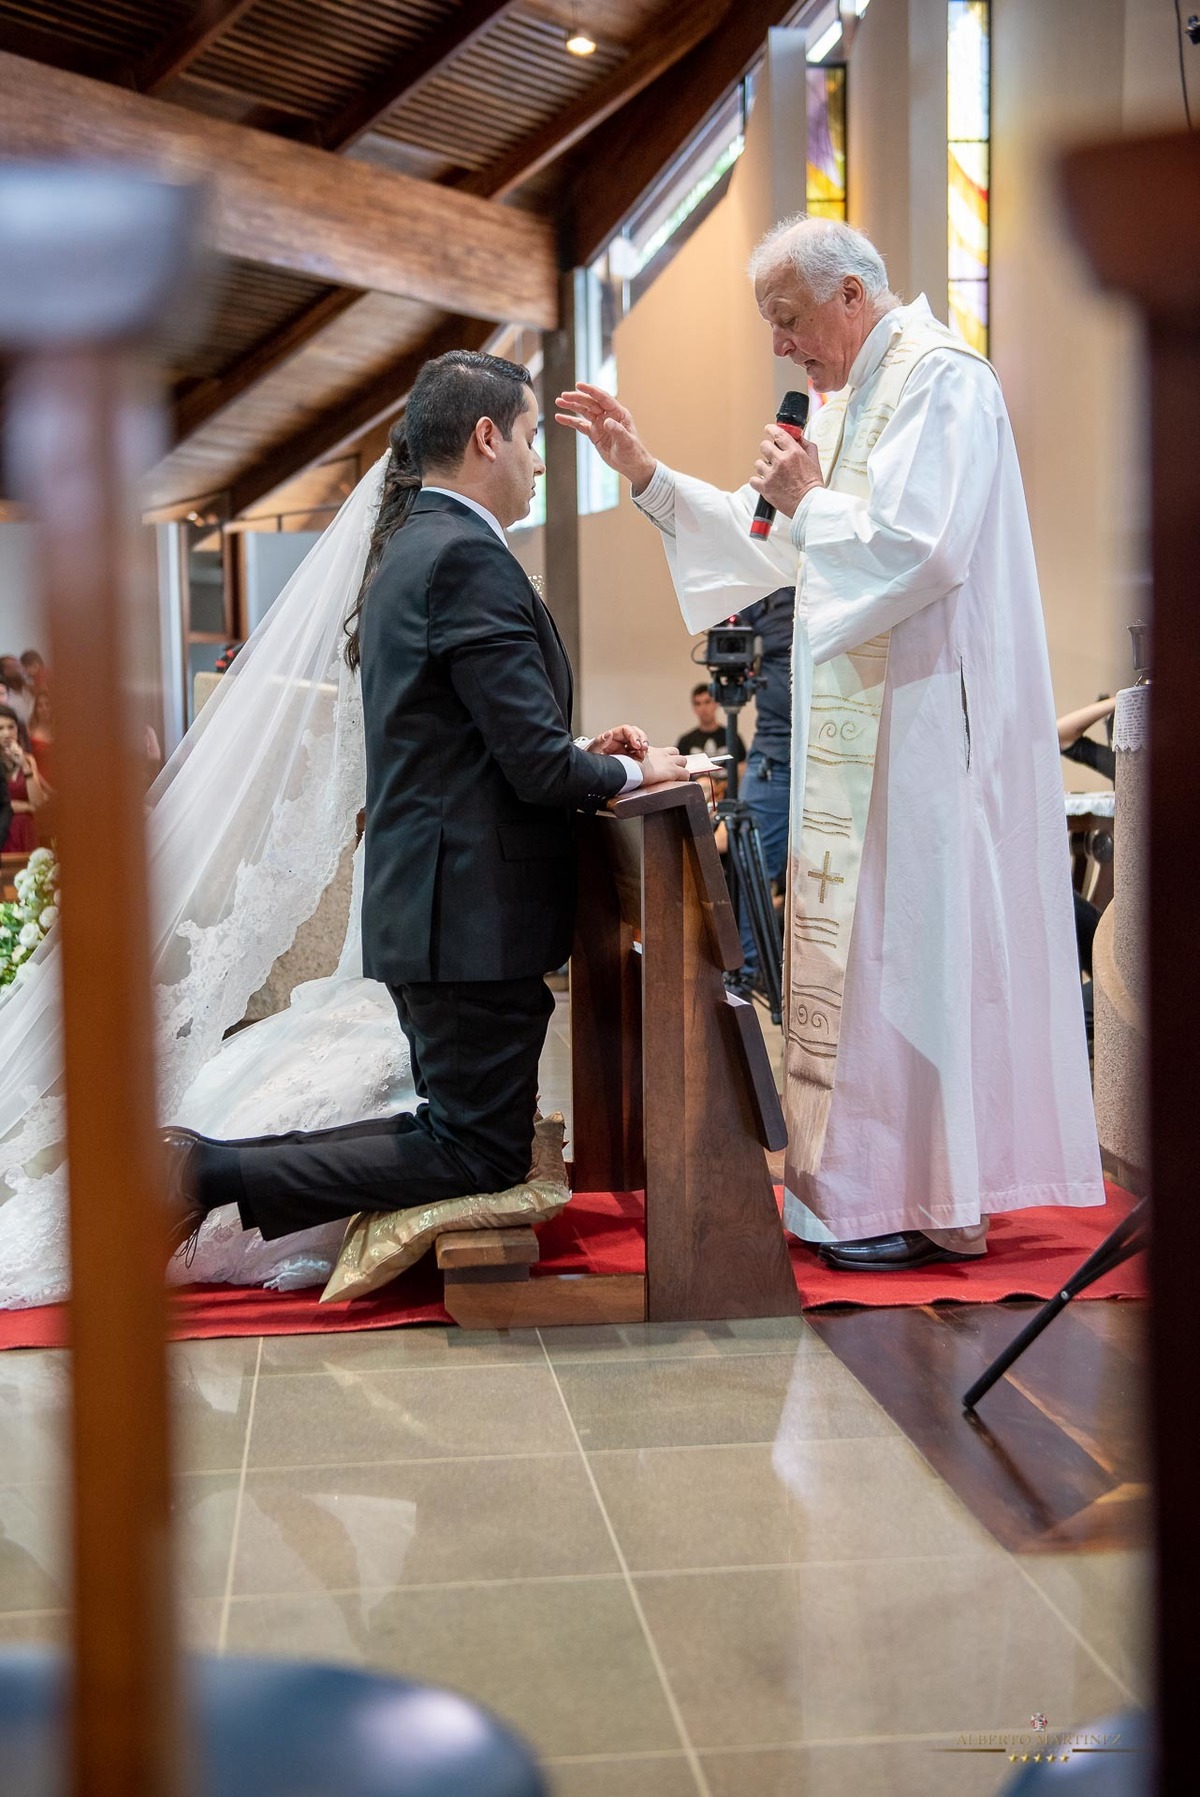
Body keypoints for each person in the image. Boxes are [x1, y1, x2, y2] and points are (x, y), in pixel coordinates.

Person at [556, 214, 1104, 1271]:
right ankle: (868, 1196)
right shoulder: (853, 404)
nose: (782, 346)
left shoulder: (947, 383)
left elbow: (925, 549)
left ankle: (928, 1198)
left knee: (910, 962)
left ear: (851, 295)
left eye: (790, 318)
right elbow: (776, 554)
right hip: (862, 755)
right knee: (862, 968)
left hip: (921, 748)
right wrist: (649, 473)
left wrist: (809, 502)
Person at [164, 351, 687, 1253]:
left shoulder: (419, 547)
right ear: (486, 436)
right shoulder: (464, 558)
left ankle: (206, 1169)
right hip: (470, 915)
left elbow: (475, 739)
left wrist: (581, 753)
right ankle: (203, 1173)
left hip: (449, 906)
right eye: (530, 439)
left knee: (463, 1129)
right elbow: (529, 767)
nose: (534, 462)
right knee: (476, 1150)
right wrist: (644, 774)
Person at [0, 705, 47, 854]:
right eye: (0, 728)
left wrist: (25, 766)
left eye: (11, 727)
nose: (7, 733)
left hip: (25, 830)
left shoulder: (28, 759)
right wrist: (26, 807)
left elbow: (37, 803)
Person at [676, 684, 746, 762]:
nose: (703, 708)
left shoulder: (732, 738)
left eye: (707, 702)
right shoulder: (685, 742)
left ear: (716, 703)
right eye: (698, 703)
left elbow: (744, 766)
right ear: (694, 708)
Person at [0, 658, 33, 728]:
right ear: (5, 671)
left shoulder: (30, 690)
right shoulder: (5, 697)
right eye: (15, 666)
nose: (21, 669)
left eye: (19, 665)